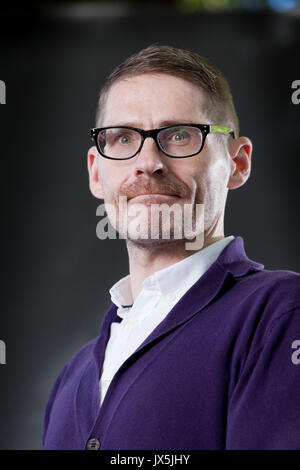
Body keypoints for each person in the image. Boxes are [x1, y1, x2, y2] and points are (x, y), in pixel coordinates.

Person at [42, 44, 300, 450]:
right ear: (96, 172)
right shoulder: (72, 376)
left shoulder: (281, 315)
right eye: (123, 137)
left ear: (238, 162)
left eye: (180, 135)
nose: (148, 161)